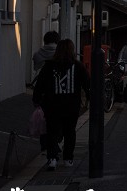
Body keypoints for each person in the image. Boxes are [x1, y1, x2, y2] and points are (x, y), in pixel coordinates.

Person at [32, 38, 89, 170]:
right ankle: (68, 158)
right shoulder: (78, 66)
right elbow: (87, 84)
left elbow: (39, 85)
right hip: (72, 105)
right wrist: (89, 98)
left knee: (52, 131)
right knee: (70, 131)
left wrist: (36, 100)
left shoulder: (49, 66)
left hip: (52, 105)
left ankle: (52, 158)